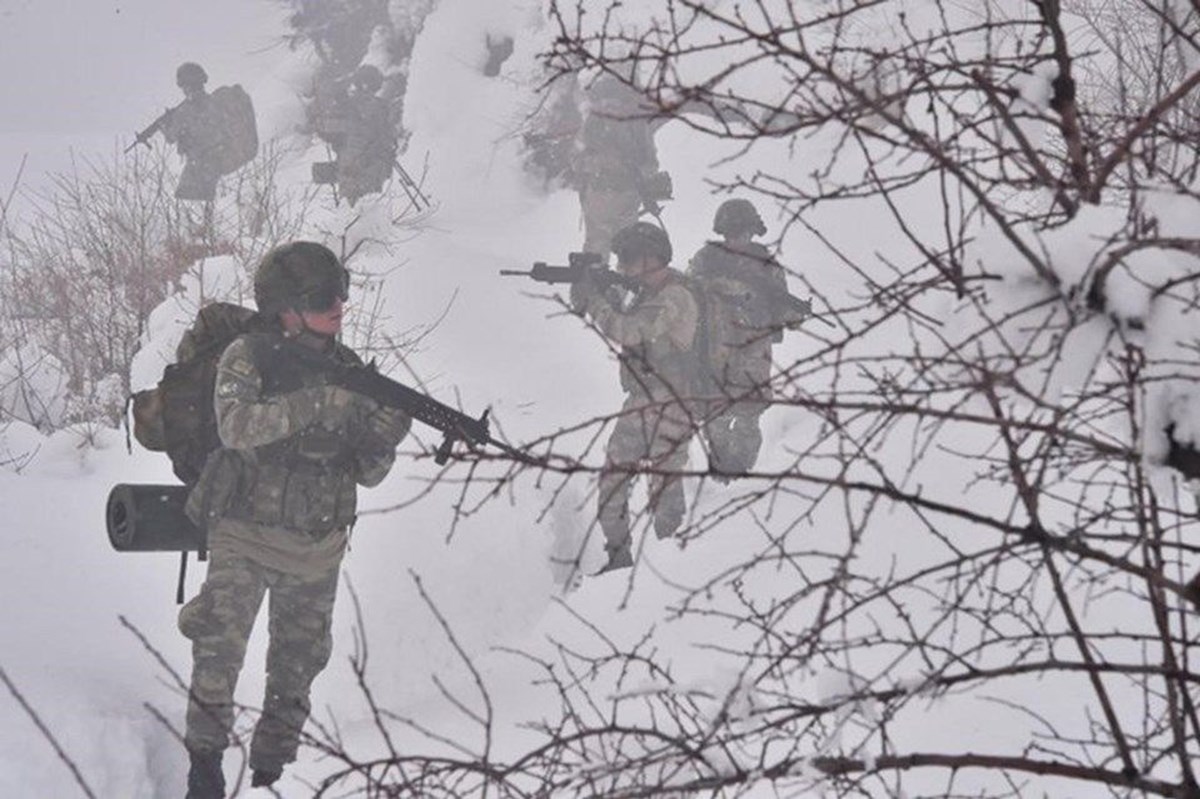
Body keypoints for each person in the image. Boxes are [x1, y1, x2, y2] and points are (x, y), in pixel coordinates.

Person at [178, 242, 411, 798]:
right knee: (218, 654)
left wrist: (386, 433)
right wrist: (319, 403)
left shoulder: (350, 370)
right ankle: (203, 768)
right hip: (244, 533)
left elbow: (366, 471)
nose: (338, 305)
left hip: (316, 547)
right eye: (321, 297)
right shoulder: (249, 355)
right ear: (283, 306)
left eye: (341, 293)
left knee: (297, 670)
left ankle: (270, 776)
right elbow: (236, 427)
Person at [571, 222, 701, 572]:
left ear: (650, 258)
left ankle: (671, 571)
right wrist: (597, 292)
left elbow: (630, 331)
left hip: (672, 404)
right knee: (612, 482)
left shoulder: (676, 296)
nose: (623, 268)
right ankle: (619, 560)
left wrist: (597, 302)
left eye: (627, 261)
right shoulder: (646, 295)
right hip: (640, 402)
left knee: (664, 492)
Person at [687, 199, 790, 478]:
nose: (738, 240)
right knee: (716, 419)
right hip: (715, 348)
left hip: (753, 351)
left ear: (753, 232)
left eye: (743, 233)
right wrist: (725, 291)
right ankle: (722, 476)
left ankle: (743, 479)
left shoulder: (767, 265)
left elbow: (783, 315)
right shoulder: (707, 259)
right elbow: (690, 291)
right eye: (733, 233)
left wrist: (784, 310)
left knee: (748, 416)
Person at [572, 76, 671, 262]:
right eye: (604, 101)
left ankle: (623, 286)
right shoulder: (592, 126)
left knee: (627, 249)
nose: (609, 106)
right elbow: (576, 160)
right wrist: (597, 163)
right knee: (595, 251)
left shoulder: (637, 127)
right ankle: (594, 287)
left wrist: (629, 170)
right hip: (597, 197)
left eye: (614, 102)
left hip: (627, 197)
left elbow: (651, 163)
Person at [159, 62, 222, 202]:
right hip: (218, 163)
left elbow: (171, 138)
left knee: (184, 202)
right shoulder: (214, 103)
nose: (183, 89)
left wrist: (164, 125)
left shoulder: (184, 111)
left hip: (197, 166)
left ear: (187, 85)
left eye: (183, 86)